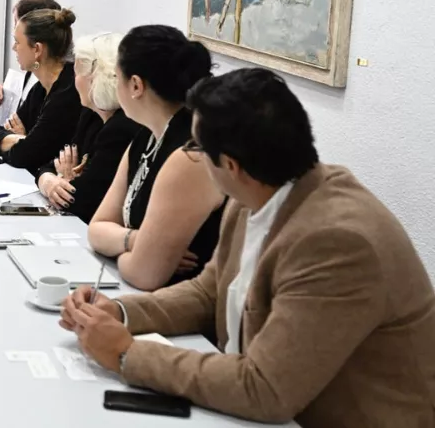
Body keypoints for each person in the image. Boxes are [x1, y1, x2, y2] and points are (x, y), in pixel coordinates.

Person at [62, 69, 435, 427]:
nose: (193, 157)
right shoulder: (256, 192)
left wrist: (127, 354)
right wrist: (121, 312)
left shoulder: (337, 242)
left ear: (230, 165)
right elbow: (210, 292)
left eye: (197, 147)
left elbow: (265, 389)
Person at [86, 26, 225, 290]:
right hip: (149, 294)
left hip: (189, 310)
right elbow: (96, 228)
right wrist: (135, 241)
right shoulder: (144, 138)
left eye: (117, 77)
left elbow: (145, 274)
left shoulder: (191, 154)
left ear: (136, 85)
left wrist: (127, 248)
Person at [35, 33, 140, 224]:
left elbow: (81, 201)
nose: (74, 81)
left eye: (77, 74)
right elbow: (50, 165)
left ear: (96, 78)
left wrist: (66, 181)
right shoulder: (90, 116)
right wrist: (48, 181)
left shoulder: (120, 128)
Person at [0, 8, 82, 175]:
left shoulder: (67, 92)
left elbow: (25, 156)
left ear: (37, 49)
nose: (13, 47)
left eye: (17, 42)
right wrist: (24, 139)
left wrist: (24, 141)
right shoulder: (40, 88)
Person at [0, 0, 63, 107]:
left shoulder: (57, 86)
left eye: (16, 25)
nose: (14, 47)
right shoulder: (34, 74)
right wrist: (5, 95)